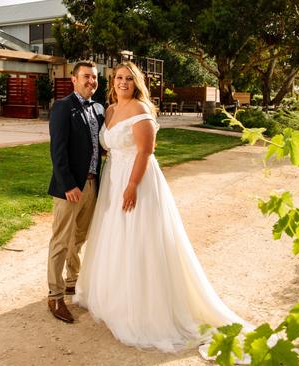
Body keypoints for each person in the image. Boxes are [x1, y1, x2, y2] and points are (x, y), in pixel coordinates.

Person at [74, 61, 251, 353]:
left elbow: (145, 151)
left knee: (138, 236)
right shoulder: (111, 110)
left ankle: (144, 308)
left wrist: (131, 186)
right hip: (113, 178)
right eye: (118, 77)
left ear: (137, 83)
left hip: (136, 180)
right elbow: (108, 146)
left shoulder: (141, 111)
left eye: (128, 79)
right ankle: (114, 297)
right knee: (114, 236)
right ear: (112, 81)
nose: (122, 82)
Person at [46, 60, 105, 323]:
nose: (90, 81)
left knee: (79, 238)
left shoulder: (99, 109)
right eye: (86, 77)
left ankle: (72, 281)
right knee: (61, 240)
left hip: (92, 184)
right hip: (69, 188)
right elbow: (57, 151)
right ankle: (55, 295)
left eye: (94, 77)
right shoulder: (62, 107)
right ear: (73, 79)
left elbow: (98, 146)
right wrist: (69, 184)